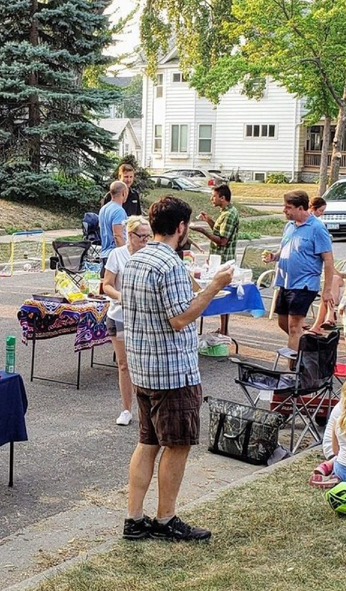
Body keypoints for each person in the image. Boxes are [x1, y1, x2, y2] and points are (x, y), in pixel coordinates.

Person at [121, 195, 233, 542]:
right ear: (181, 228)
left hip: (143, 368)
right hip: (171, 373)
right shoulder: (168, 264)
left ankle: (134, 518)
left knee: (148, 443)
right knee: (178, 445)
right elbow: (181, 318)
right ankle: (165, 518)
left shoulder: (137, 260)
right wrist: (214, 286)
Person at [262, 190, 334, 353]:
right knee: (283, 323)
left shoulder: (317, 228)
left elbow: (328, 260)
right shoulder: (289, 226)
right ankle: (310, 349)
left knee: (294, 327)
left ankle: (291, 372)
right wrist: (273, 256)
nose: (284, 210)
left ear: (301, 208)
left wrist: (327, 290)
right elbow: (285, 249)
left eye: (288, 207)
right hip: (285, 282)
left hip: (304, 284)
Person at [101, 215, 151, 427]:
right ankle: (126, 409)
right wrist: (122, 297)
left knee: (145, 363)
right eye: (142, 237)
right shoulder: (117, 255)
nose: (145, 241)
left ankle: (147, 409)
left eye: (149, 237)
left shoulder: (151, 255)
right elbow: (107, 285)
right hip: (119, 316)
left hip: (144, 318)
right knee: (124, 364)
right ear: (130, 235)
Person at [196, 184, 240, 262]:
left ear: (222, 198)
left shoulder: (229, 214)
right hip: (217, 258)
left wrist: (203, 231)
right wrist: (208, 220)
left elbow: (222, 241)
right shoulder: (226, 212)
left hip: (222, 261)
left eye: (214, 196)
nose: (211, 199)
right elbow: (220, 233)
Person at [98, 181, 129, 270]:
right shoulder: (119, 211)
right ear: (124, 193)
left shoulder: (104, 209)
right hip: (114, 255)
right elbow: (118, 236)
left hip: (104, 253)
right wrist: (124, 255)